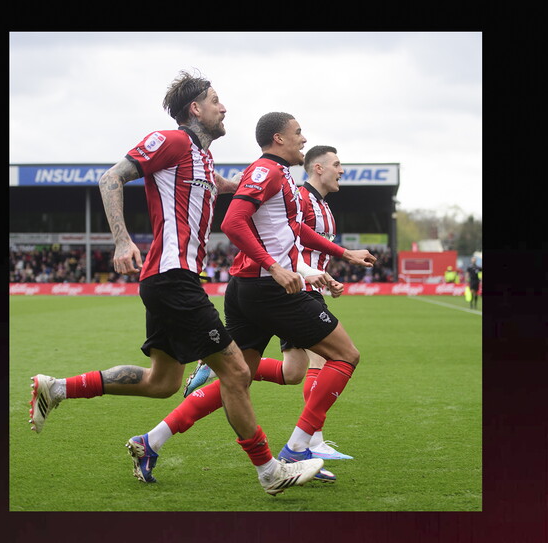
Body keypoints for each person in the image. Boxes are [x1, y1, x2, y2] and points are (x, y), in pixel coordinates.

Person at [27, 71, 323, 496]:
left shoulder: (202, 158)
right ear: (195, 109)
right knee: (237, 371)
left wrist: (266, 174)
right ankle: (270, 471)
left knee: (162, 383)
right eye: (216, 100)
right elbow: (110, 178)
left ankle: (56, 388)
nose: (225, 108)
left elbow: (225, 187)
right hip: (172, 278)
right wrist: (122, 240)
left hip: (172, 279)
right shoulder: (173, 140)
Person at [127, 114, 375, 483]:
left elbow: (296, 230)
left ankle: (152, 440)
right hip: (270, 289)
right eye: (298, 133)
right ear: (278, 138)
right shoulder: (267, 171)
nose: (303, 140)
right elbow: (232, 222)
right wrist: (275, 267)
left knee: (237, 377)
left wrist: (344, 255)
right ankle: (298, 448)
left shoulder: (283, 178)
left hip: (252, 288)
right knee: (345, 355)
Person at [182, 144, 354, 460]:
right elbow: (253, 228)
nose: (341, 170)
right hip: (283, 285)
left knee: (285, 372)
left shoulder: (314, 199)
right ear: (318, 168)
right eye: (337, 164)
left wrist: (338, 258)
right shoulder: (291, 189)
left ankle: (155, 437)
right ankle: (307, 443)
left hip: (287, 282)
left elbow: (297, 234)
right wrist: (297, 271)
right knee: (337, 357)